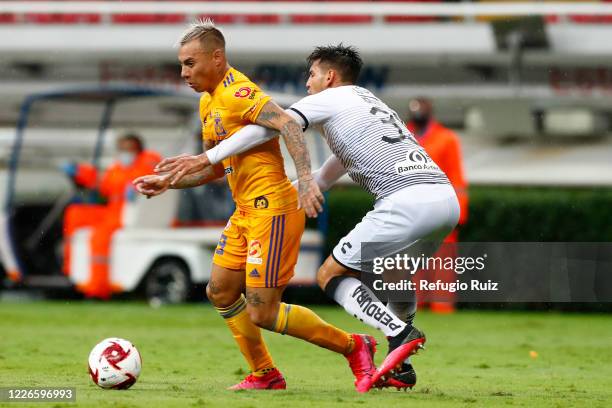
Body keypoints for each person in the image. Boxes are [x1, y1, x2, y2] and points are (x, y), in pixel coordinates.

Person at [154, 44, 460, 392]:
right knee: (396, 274)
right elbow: (336, 166)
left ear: (330, 76)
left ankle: (399, 333)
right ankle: (400, 364)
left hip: (407, 199)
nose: (307, 84)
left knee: (331, 275)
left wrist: (205, 156)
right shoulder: (370, 103)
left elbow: (274, 126)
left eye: (312, 75)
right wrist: (301, 187)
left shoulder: (330, 98)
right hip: (444, 200)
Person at [133, 21, 377, 392]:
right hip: (245, 211)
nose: (184, 73)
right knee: (220, 291)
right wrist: (168, 181)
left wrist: (307, 179)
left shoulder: (240, 92)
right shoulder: (207, 101)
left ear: (217, 58)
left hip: (273, 210)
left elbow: (289, 125)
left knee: (262, 311)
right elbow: (217, 166)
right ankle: (265, 373)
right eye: (181, 65)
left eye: (190, 63)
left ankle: (354, 345)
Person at [62, 133, 161, 299]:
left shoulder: (147, 163)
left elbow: (156, 176)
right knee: (74, 213)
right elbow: (102, 188)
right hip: (111, 211)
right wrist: (80, 173)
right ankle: (68, 267)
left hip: (127, 215)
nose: (125, 153)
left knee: (99, 236)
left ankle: (98, 289)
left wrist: (138, 188)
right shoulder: (116, 168)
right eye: (122, 149)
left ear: (139, 150)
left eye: (129, 149)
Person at [406, 97, 469, 314]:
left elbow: (456, 177)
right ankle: (415, 306)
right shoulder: (401, 137)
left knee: (442, 261)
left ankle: (442, 307)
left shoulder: (446, 139)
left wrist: (459, 212)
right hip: (411, 211)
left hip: (441, 211)